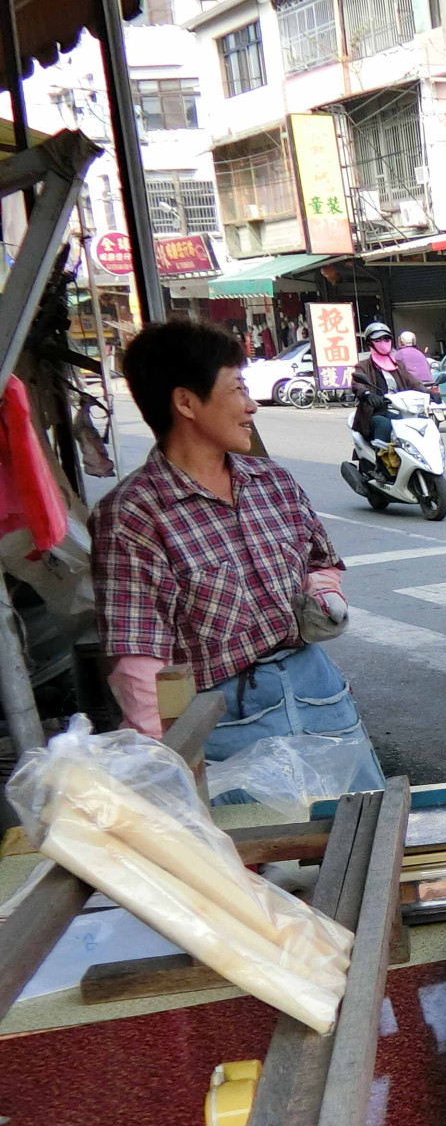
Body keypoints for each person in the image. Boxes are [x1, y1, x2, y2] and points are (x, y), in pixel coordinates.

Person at [92, 321, 383, 789]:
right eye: (237, 389)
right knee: (262, 855)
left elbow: (319, 561)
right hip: (226, 723)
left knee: (365, 832)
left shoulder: (273, 482)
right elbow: (138, 662)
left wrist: (322, 595)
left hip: (319, 693)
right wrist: (166, 767)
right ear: (186, 402)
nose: (250, 405)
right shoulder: (134, 515)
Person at [349, 321, 425, 455]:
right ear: (369, 343)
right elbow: (357, 384)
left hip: (402, 409)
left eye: (386, 338)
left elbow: (413, 381)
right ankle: (380, 464)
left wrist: (428, 391)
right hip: (376, 412)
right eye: (378, 340)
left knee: (424, 423)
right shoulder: (363, 366)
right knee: (384, 424)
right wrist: (367, 394)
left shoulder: (398, 365)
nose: (383, 342)